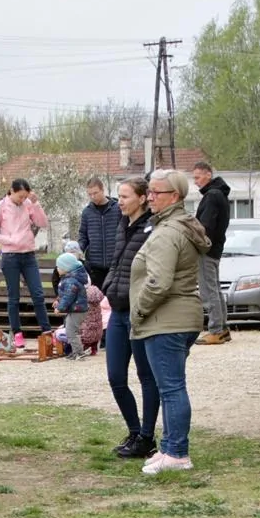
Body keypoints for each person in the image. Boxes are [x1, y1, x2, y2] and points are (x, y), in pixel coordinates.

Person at [131, 169, 212, 475]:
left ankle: (177, 453)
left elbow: (159, 282)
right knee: (170, 387)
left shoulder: (167, 232)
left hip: (167, 319)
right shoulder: (177, 225)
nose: (149, 197)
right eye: (149, 191)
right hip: (179, 317)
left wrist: (139, 311)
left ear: (175, 196)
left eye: (156, 192)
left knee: (172, 388)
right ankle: (168, 448)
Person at [102, 176, 160, 459]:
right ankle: (134, 431)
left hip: (139, 312)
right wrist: (108, 285)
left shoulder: (152, 228)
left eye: (125, 196)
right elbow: (116, 261)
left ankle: (147, 437)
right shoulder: (121, 224)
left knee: (146, 376)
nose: (120, 202)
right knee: (115, 376)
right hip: (117, 310)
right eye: (119, 196)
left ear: (142, 198)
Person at [0, 178, 51, 349]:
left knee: (38, 294)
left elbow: (42, 223)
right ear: (12, 191)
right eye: (20, 196)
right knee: (14, 297)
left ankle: (46, 331)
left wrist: (36, 204)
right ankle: (17, 333)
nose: (22, 200)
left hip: (28, 255)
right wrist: (10, 240)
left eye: (25, 197)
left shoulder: (28, 203)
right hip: (10, 256)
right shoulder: (0, 206)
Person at [190, 161, 232, 344]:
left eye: (198, 177)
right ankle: (223, 328)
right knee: (215, 288)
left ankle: (216, 330)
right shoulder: (219, 194)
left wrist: (196, 242)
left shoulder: (212, 196)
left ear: (208, 174)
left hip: (206, 250)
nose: (196, 181)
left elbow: (205, 227)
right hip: (215, 249)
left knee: (208, 290)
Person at [77, 176, 122, 292]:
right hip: (94, 267)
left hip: (115, 265)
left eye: (95, 193)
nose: (93, 197)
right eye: (90, 194)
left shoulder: (118, 209)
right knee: (97, 299)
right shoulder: (87, 212)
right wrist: (78, 250)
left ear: (102, 190)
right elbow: (83, 236)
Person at [53, 252, 91, 359]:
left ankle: (78, 352)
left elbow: (68, 297)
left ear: (66, 268)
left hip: (77, 310)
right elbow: (65, 294)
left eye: (59, 267)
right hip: (75, 310)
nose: (57, 269)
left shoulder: (71, 281)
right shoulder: (68, 278)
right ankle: (77, 351)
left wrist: (59, 308)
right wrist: (58, 300)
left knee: (71, 331)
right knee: (71, 330)